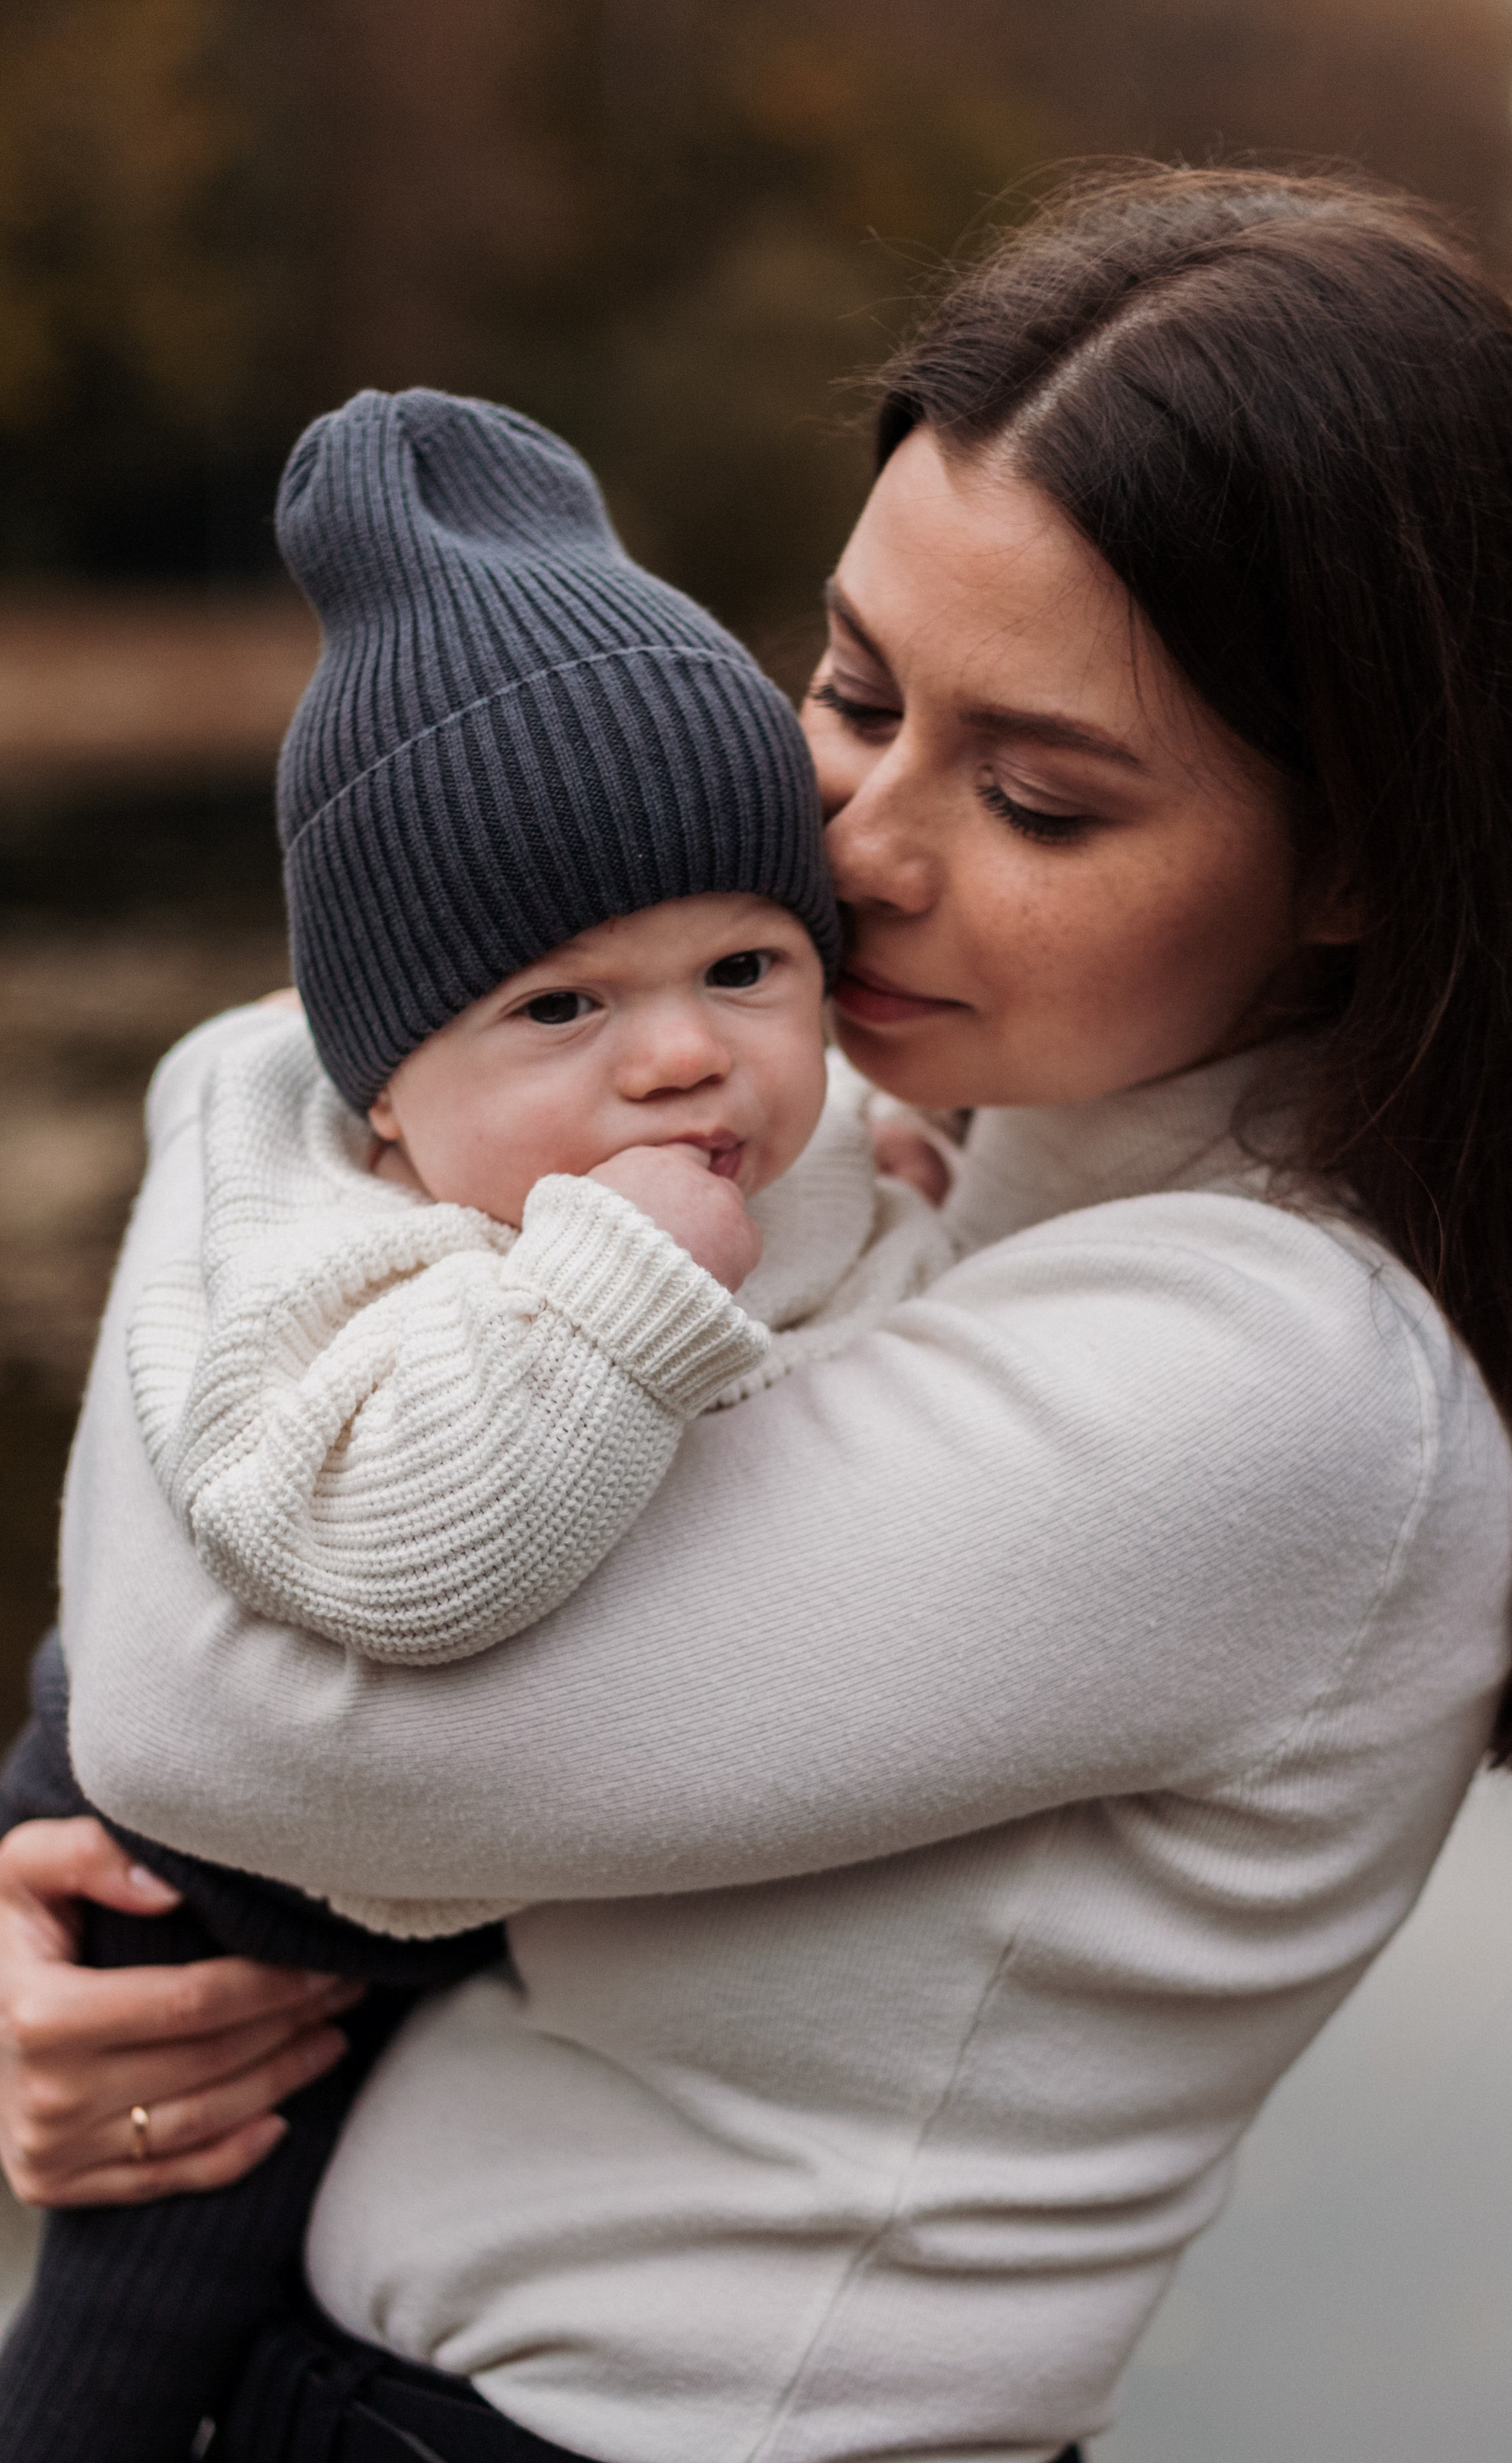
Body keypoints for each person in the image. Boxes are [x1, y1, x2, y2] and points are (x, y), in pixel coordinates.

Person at [3, 163, 1512, 2463]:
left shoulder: (1279, 1389)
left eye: (1031, 793)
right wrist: (92, 1930)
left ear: (1367, 855)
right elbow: (295, 1642)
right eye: (853, 685)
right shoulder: (911, 1147)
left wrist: (284, 1066)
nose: (866, 839)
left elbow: (247, 1723)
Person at [0, 385, 948, 2458]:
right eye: (563, 1007)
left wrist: (895, 1164)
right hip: (187, 1879)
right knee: (138, 2307)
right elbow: (391, 1557)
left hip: (445, 1930)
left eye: (748, 959)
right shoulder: (361, 1259)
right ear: (390, 1098)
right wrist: (622, 1294)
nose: (684, 1056)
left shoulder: (731, 1136)